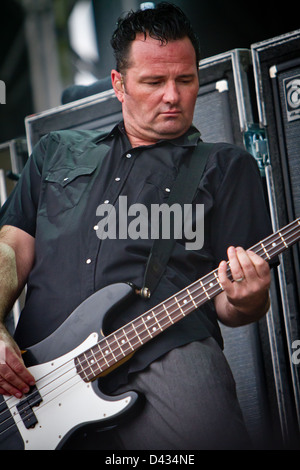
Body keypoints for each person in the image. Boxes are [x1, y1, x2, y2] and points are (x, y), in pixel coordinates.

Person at [0, 3, 273, 450]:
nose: (173, 95)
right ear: (118, 85)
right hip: (39, 382)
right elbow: (10, 248)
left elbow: (234, 304)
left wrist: (250, 297)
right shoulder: (56, 153)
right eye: (153, 82)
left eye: (185, 80)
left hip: (172, 358)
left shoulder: (227, 168)